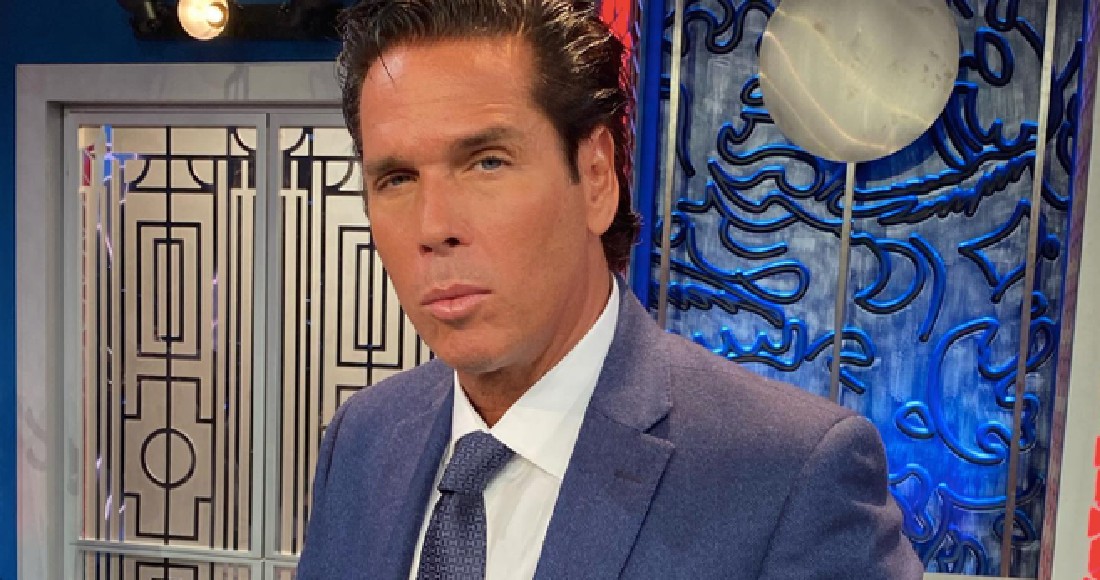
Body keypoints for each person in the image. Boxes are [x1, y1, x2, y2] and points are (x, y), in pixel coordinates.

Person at [296, 0, 924, 578]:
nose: (434, 227)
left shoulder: (789, 475)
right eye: (397, 179)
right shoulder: (363, 437)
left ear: (596, 176)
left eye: (487, 162)